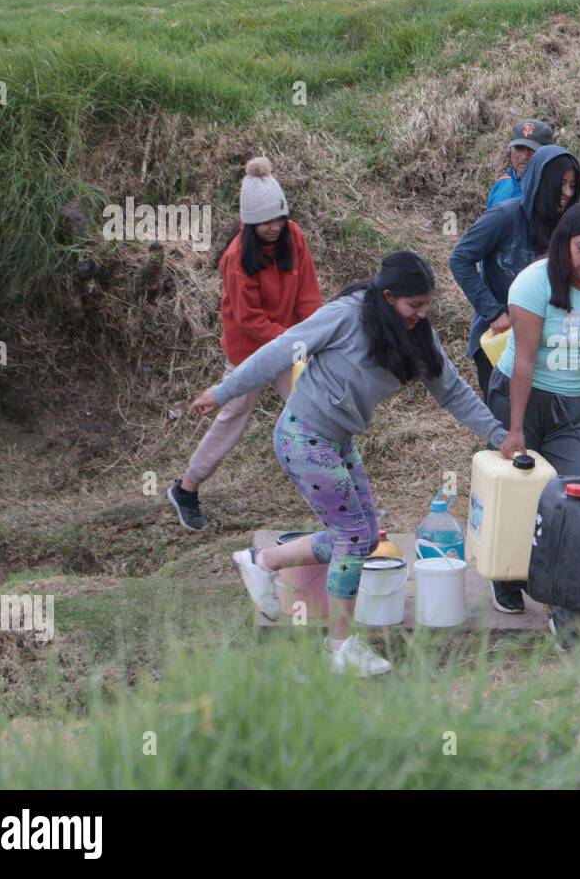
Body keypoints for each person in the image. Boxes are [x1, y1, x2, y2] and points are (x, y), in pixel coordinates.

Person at [188, 252, 517, 677]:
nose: (421, 314)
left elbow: (451, 392)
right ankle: (340, 644)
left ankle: (263, 562)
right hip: (303, 436)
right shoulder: (346, 316)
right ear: (386, 296)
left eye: (425, 305)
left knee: (362, 540)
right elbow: (278, 353)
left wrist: (499, 436)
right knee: (349, 537)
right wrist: (223, 391)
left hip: (339, 440)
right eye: (413, 305)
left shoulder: (417, 336)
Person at [168, 157, 322, 531]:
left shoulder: (294, 236)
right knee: (232, 418)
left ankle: (338, 497)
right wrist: (292, 341)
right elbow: (249, 319)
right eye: (263, 222)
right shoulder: (236, 257)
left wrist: (316, 333)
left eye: (277, 219)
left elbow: (307, 293)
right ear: (248, 224)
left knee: (316, 414)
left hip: (288, 344)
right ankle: (186, 488)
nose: (272, 228)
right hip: (250, 351)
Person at [485, 202, 580, 621]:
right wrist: (515, 428)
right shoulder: (533, 283)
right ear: (564, 243)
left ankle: (559, 595)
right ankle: (506, 576)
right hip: (522, 396)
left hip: (576, 404)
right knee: (522, 491)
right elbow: (524, 359)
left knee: (570, 497)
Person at [450, 144, 580, 399]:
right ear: (542, 182)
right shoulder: (504, 217)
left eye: (572, 185)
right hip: (500, 338)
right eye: (561, 184)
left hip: (545, 343)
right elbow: (460, 259)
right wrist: (493, 311)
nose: (567, 193)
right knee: (506, 425)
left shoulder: (567, 228)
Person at [486, 118, 555, 210]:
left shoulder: (552, 190)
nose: (524, 156)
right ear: (511, 149)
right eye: (519, 148)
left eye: (533, 150)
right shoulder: (501, 184)